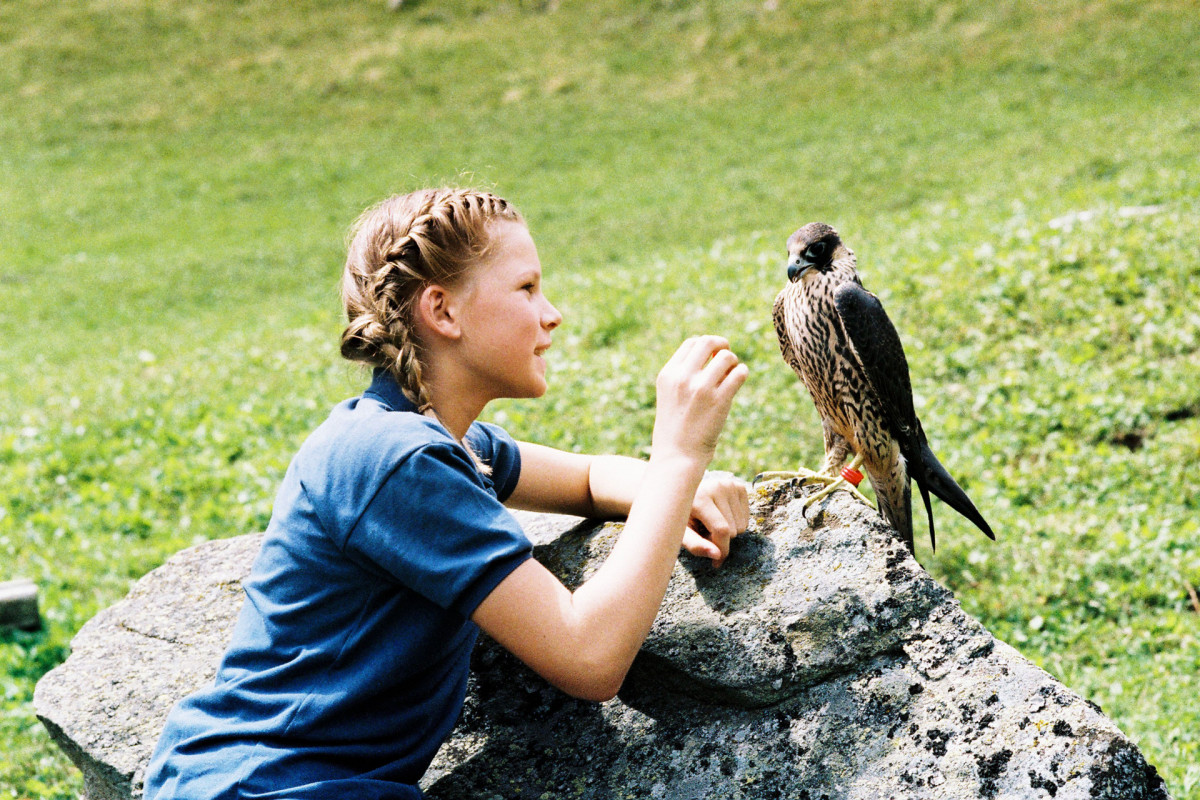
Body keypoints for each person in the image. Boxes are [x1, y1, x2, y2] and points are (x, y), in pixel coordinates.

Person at [143, 188, 750, 799]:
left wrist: (679, 491)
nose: (552, 314)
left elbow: (590, 479)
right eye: (527, 289)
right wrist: (678, 458)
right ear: (443, 311)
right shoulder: (397, 459)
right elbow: (590, 657)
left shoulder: (433, 441)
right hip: (264, 787)